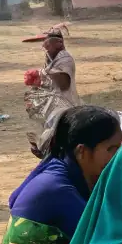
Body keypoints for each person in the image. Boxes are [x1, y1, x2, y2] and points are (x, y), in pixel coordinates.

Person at [0, 106, 122, 244]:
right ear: (82, 151)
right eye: (111, 149)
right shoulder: (57, 188)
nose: (117, 157)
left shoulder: (61, 165)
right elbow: (102, 241)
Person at [23, 27, 80, 156]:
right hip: (55, 104)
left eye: (47, 44)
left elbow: (64, 84)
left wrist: (43, 72)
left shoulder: (65, 59)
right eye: (44, 45)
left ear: (59, 44)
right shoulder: (52, 59)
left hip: (64, 105)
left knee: (55, 136)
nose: (45, 48)